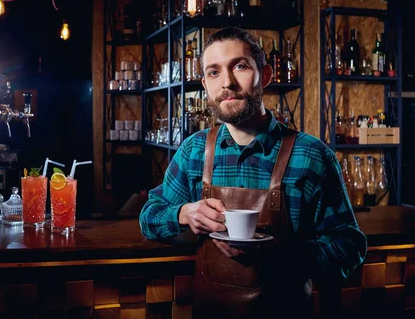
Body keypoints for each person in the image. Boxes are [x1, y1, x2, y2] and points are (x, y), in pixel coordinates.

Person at [139, 27, 367, 318]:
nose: (228, 83)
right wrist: (183, 213)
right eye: (214, 72)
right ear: (205, 85)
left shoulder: (312, 156)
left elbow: (349, 246)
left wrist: (283, 256)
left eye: (240, 66)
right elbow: (149, 217)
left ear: (266, 76)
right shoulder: (193, 152)